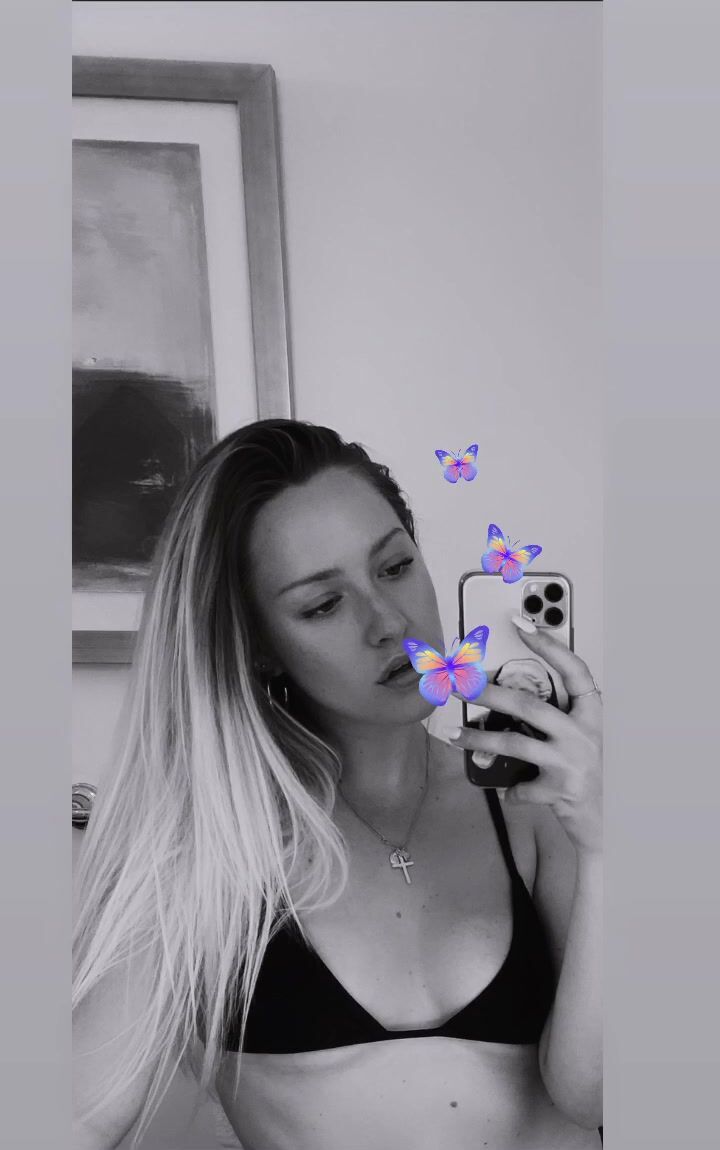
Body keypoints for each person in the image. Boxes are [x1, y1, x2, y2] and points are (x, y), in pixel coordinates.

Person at [73, 418, 603, 1150]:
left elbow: (597, 1094)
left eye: (395, 567)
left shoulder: (539, 805)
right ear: (258, 646)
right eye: (323, 605)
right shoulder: (211, 847)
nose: (389, 622)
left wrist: (606, 846)